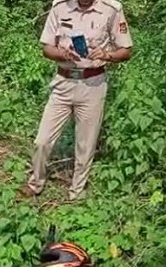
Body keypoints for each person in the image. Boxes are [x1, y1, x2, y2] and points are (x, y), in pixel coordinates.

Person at [24, 0, 133, 200]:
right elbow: (46, 48)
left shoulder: (111, 10)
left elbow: (126, 51)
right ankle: (35, 183)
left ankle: (76, 192)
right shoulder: (60, 7)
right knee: (42, 140)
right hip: (63, 83)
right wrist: (62, 52)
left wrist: (107, 55)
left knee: (86, 144)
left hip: (93, 84)